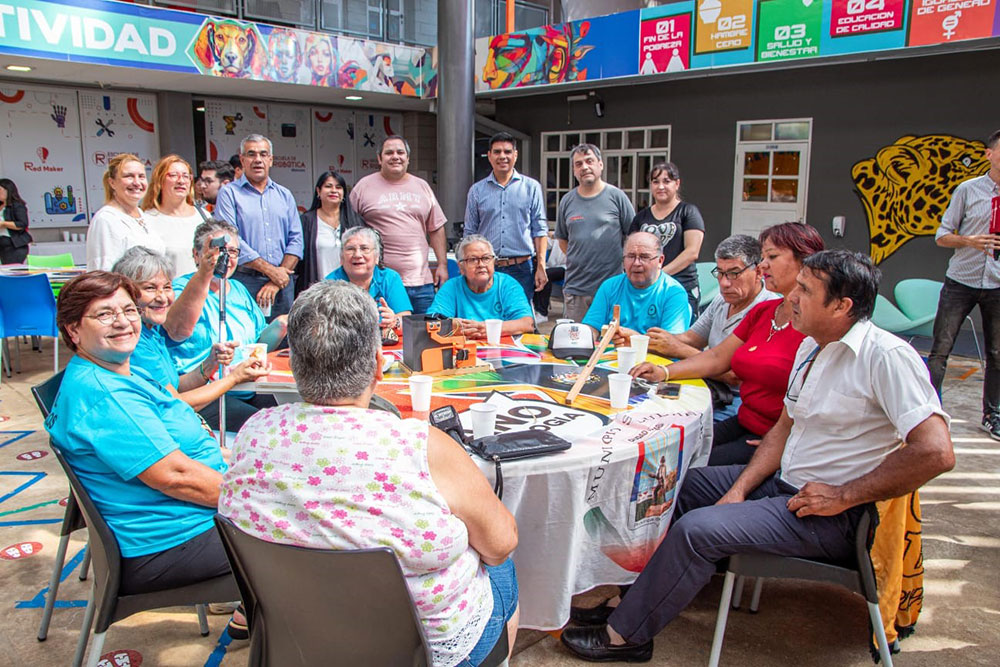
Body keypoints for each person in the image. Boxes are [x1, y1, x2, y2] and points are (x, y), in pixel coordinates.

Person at [560, 250, 955, 662]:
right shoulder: (811, 346)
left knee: (698, 530)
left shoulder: (887, 357)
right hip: (784, 483)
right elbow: (784, 428)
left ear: (842, 306)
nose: (792, 297)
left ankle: (627, 636)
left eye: (805, 290)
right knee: (678, 481)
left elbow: (936, 452)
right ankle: (636, 603)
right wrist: (740, 488)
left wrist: (843, 496)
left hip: (829, 514)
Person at [219, 280, 520, 667]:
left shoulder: (253, 433)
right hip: (423, 653)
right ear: (379, 366)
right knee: (502, 562)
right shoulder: (422, 446)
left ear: (293, 363)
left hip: (297, 639)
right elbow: (500, 544)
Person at [44, 271, 246, 636]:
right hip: (169, 540)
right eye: (104, 314)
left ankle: (257, 613)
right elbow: (176, 477)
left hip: (180, 521)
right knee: (309, 529)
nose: (122, 321)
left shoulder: (119, 371)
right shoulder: (106, 396)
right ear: (73, 331)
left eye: (128, 310)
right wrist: (260, 497)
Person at [631, 222, 824, 466]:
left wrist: (782, 439)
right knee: (673, 452)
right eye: (720, 274)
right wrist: (663, 371)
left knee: (683, 472)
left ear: (805, 261)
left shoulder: (814, 326)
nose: (764, 265)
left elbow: (814, 399)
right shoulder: (765, 311)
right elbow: (716, 357)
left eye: (772, 257)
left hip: (765, 431)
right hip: (745, 420)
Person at [112, 246, 269, 414]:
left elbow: (176, 386)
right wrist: (234, 378)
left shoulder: (153, 330)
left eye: (166, 287)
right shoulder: (132, 340)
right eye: (150, 288)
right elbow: (173, 403)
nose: (162, 298)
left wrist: (210, 364)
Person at [165, 220, 284, 431]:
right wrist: (206, 273)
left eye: (233, 252)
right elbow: (177, 330)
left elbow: (257, 343)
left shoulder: (238, 289)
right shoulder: (181, 289)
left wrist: (280, 326)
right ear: (196, 254)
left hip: (247, 386)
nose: (226, 258)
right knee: (264, 427)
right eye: (219, 250)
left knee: (287, 417)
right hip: (205, 393)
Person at [647, 235, 777, 421]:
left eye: (734, 273)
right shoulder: (723, 299)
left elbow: (734, 376)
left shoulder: (768, 309)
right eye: (721, 273)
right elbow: (692, 338)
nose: (724, 283)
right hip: (709, 385)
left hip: (738, 399)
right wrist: (644, 339)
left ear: (758, 272)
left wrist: (677, 349)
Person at [928, 128, 1000, 440]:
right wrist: (969, 240)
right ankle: (928, 413)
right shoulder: (968, 190)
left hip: (997, 284)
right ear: (990, 154)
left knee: (997, 352)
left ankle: (993, 415)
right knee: (941, 349)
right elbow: (942, 236)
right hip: (961, 280)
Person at [350, 135, 449, 314]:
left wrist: (442, 265)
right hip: (380, 282)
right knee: (383, 336)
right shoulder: (363, 187)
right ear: (380, 159)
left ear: (408, 158)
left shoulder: (422, 187)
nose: (395, 156)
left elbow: (436, 227)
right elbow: (350, 229)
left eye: (400, 152)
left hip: (420, 283)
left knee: (423, 336)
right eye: (389, 153)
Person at [215, 134, 303, 320]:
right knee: (248, 340)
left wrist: (276, 281)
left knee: (285, 343)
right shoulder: (228, 194)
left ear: (270, 160)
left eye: (263, 154)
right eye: (251, 154)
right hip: (245, 280)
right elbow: (232, 240)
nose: (258, 160)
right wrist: (272, 272)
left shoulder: (284, 195)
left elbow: (296, 240)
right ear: (242, 159)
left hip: (282, 284)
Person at [464, 131, 548, 305]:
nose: (502, 156)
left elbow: (539, 229)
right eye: (497, 152)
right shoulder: (477, 191)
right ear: (489, 156)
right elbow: (470, 233)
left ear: (515, 155)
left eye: (507, 152)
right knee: (486, 316)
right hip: (486, 267)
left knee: (519, 320)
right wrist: (468, 266)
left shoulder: (531, 187)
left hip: (522, 268)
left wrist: (541, 266)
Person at [555, 143, 635, 323]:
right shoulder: (567, 201)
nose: (584, 167)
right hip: (576, 289)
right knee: (577, 345)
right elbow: (562, 240)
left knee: (612, 344)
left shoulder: (617, 197)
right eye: (578, 164)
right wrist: (583, 257)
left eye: (589, 161)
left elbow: (633, 236)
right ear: (574, 171)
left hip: (612, 289)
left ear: (600, 164)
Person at [581, 232, 690, 341]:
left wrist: (633, 339)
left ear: (660, 261)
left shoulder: (673, 293)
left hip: (653, 357)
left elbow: (671, 345)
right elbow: (592, 328)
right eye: (631, 256)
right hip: (610, 356)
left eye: (644, 257)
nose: (636, 263)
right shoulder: (609, 286)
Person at [629, 162, 705, 318]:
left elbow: (692, 252)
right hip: (648, 289)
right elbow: (631, 251)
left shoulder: (688, 212)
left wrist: (659, 275)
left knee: (680, 336)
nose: (661, 186)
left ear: (677, 184)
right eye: (656, 182)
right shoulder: (641, 217)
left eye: (666, 181)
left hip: (682, 286)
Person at [429, 235, 534, 339]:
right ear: (461, 266)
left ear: (494, 262)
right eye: (473, 259)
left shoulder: (508, 285)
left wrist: (488, 329)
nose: (481, 264)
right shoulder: (451, 287)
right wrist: (453, 326)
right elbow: (432, 322)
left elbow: (527, 323)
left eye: (486, 258)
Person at [86, 154, 165, 271]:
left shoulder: (142, 214)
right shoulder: (106, 219)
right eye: (129, 176)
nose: (137, 182)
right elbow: (103, 272)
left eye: (141, 176)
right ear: (112, 183)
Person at [325, 226, 411, 333]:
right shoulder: (329, 284)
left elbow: (407, 323)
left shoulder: (390, 278)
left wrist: (394, 321)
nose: (357, 255)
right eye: (350, 249)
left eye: (364, 248)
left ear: (377, 257)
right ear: (341, 258)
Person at [296, 171, 362, 297]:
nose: (333, 190)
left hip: (349, 292)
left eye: (338, 187)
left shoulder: (355, 221)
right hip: (317, 291)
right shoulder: (307, 221)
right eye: (328, 186)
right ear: (318, 191)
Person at [141, 156, 208, 277]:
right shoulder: (147, 220)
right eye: (173, 175)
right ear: (160, 180)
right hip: (170, 292)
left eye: (185, 176)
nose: (181, 181)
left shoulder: (203, 216)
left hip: (205, 291)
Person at [533, 233, 566, 320]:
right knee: (536, 272)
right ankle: (535, 309)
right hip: (551, 266)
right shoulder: (557, 235)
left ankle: (542, 313)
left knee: (545, 275)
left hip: (567, 268)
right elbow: (546, 243)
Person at [0, 178, 32, 264]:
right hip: (1, 244)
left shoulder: (17, 206)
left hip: (14, 245)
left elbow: (22, 224)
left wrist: (3, 224)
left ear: (8, 191)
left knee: (11, 270)